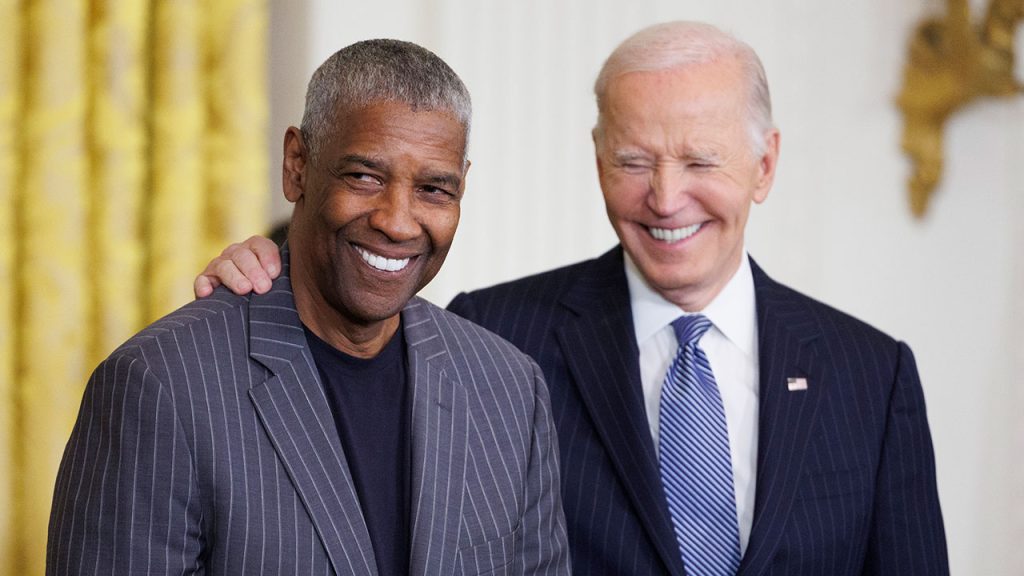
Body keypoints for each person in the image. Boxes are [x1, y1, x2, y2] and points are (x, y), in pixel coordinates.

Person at [195, 22, 949, 576]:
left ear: (764, 163)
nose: (665, 196)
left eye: (699, 159)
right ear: (596, 162)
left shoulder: (871, 377)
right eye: (632, 160)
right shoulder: (493, 336)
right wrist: (273, 271)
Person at [47, 39, 570, 576]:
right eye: (365, 176)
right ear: (297, 165)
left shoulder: (510, 390)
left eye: (435, 189)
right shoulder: (160, 385)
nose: (397, 220)